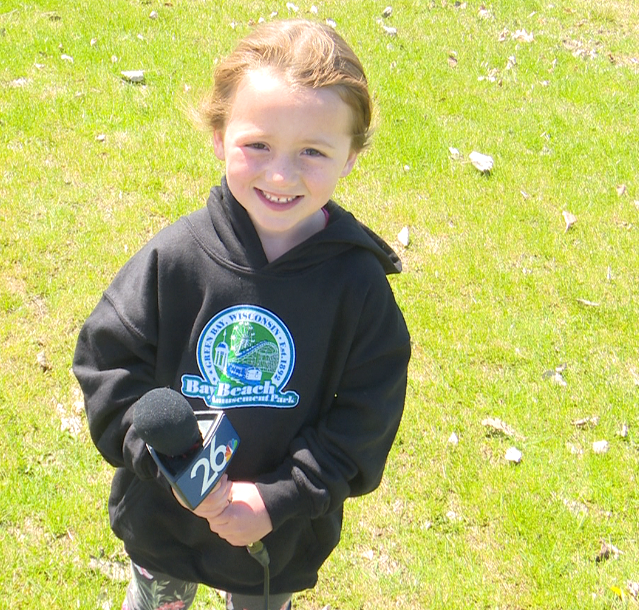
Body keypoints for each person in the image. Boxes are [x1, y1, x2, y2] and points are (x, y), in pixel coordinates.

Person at [73, 19, 410, 610]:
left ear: (352, 156)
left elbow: (366, 418)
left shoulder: (357, 286)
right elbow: (108, 365)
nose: (281, 175)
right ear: (219, 136)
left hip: (276, 534)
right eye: (258, 145)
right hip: (164, 521)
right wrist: (162, 462)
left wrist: (281, 497)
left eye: (313, 151)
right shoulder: (175, 257)